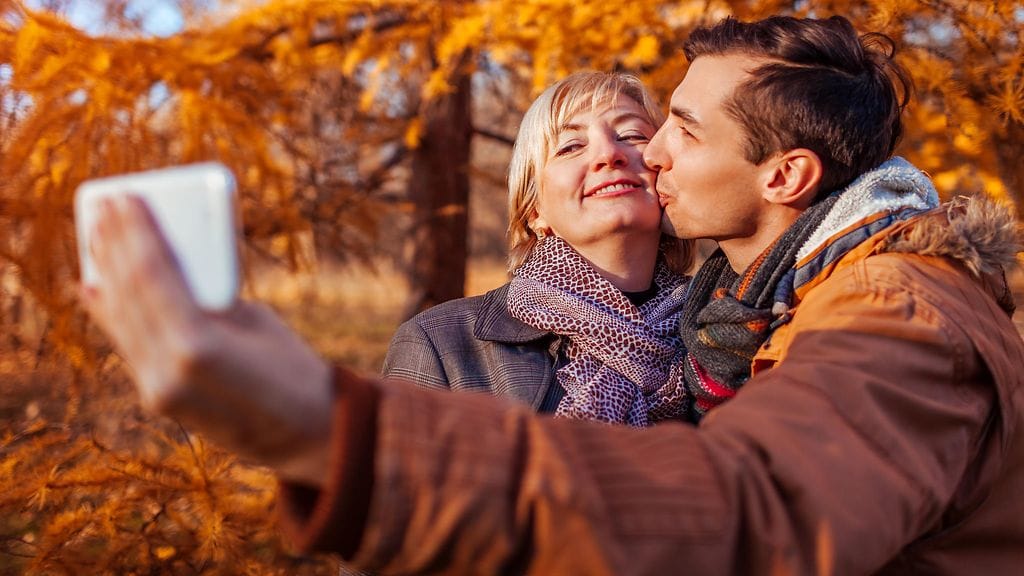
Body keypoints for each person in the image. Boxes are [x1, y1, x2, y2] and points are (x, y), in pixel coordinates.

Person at [82, 14, 1024, 576]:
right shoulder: (753, 315)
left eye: (666, 130)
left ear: (782, 177)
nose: (636, 154)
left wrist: (324, 429)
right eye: (572, 144)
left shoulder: (882, 310)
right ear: (531, 206)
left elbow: (757, 511)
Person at [383, 71, 694, 425]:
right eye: (571, 146)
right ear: (534, 210)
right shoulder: (442, 345)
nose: (609, 154)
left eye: (632, 135)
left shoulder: (725, 332)